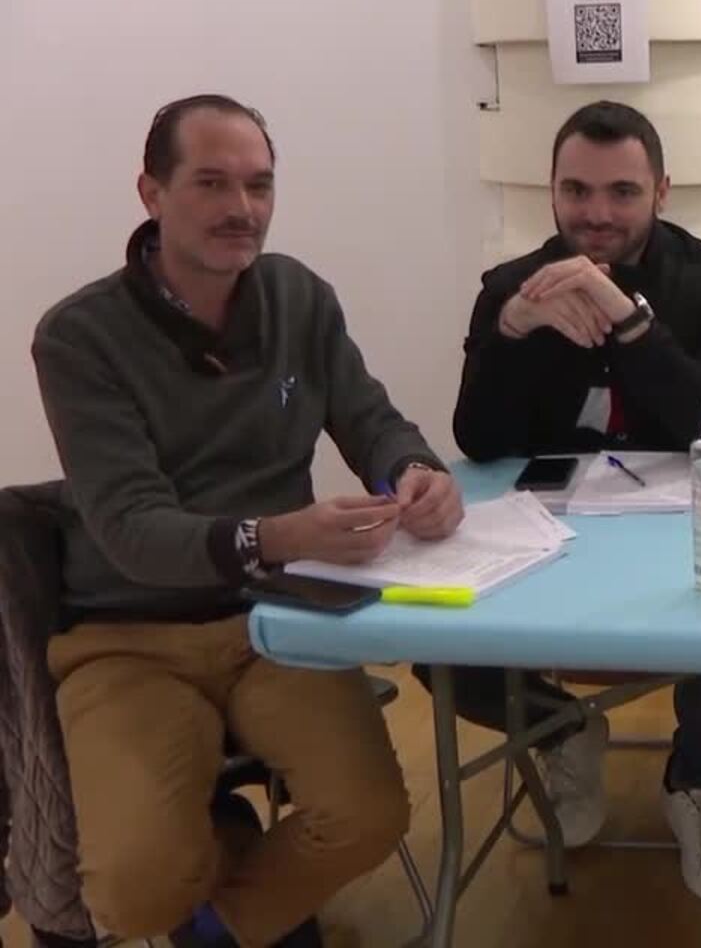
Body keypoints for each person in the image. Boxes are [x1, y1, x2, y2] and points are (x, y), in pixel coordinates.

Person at [31, 94, 463, 948]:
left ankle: (223, 917)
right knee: (128, 896)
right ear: (152, 192)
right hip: (128, 635)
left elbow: (371, 419)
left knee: (370, 815)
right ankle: (226, 850)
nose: (242, 208)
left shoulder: (299, 297)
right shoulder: (80, 337)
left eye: (259, 185)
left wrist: (415, 472)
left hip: (278, 619)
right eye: (211, 183)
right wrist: (280, 535)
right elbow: (132, 530)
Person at [443, 100, 701, 904]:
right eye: (576, 191)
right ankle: (563, 729)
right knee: (438, 640)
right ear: (551, 190)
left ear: (662, 191)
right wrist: (511, 330)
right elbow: (479, 440)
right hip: (549, 530)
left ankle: (696, 783)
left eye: (622, 192)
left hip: (682, 525)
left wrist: (629, 320)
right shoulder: (510, 288)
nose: (596, 213)